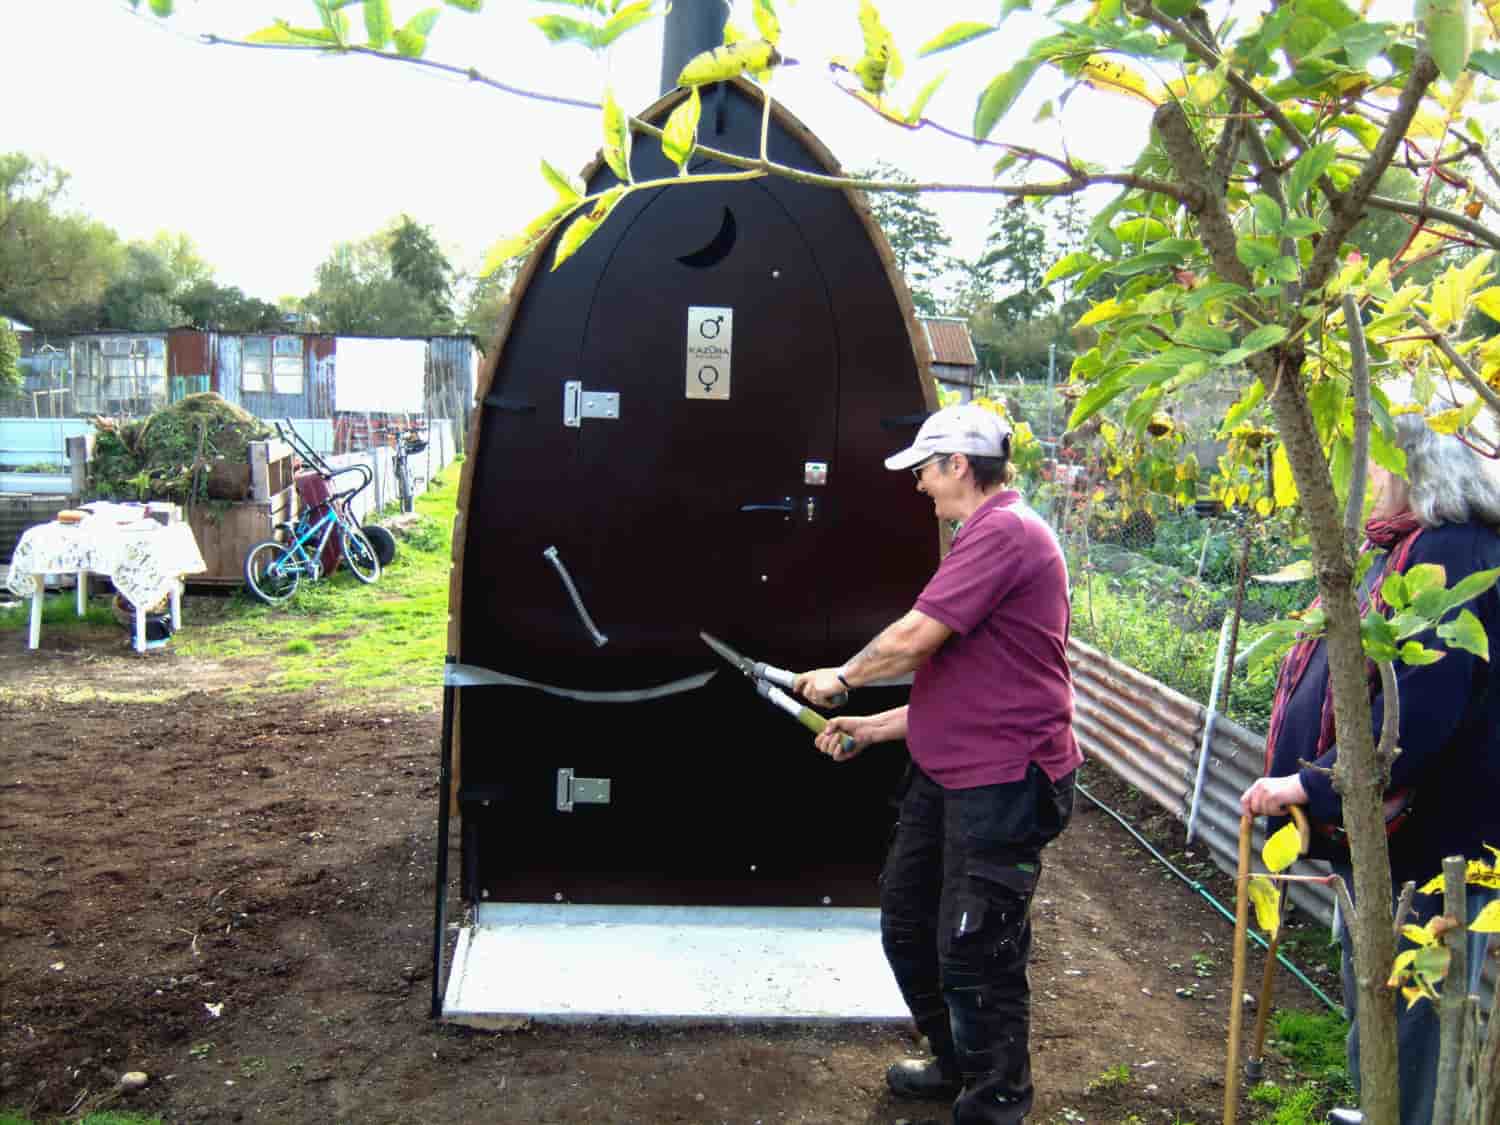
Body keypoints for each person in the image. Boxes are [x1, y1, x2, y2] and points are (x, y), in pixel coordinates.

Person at [792, 403, 1082, 1125]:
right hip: (953, 768)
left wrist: (843, 677)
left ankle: (995, 1104)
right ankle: (957, 1063)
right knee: (907, 920)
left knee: (976, 948)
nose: (919, 484)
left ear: (959, 464)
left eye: (924, 469)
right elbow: (967, 684)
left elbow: (917, 637)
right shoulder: (980, 537)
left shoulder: (1006, 532)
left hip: (1008, 778)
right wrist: (874, 726)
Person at [1240, 413, 1500, 1125]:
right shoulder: (1408, 550)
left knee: (1415, 1026)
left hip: (1435, 851)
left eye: (1377, 461)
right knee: (1383, 1014)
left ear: (1418, 468)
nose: (1366, 478)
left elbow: (1419, 714)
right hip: (1398, 847)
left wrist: (1311, 783)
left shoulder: (1455, 555)